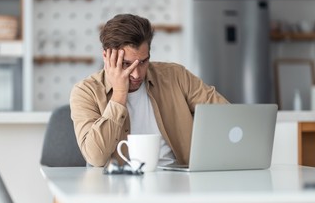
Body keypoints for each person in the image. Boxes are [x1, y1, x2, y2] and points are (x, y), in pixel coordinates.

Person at [70, 13, 228, 167]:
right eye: (126, 64)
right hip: (120, 187)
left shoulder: (176, 75)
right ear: (106, 57)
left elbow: (226, 115)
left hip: (181, 182)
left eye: (143, 62)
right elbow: (95, 157)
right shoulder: (85, 92)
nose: (137, 74)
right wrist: (119, 94)